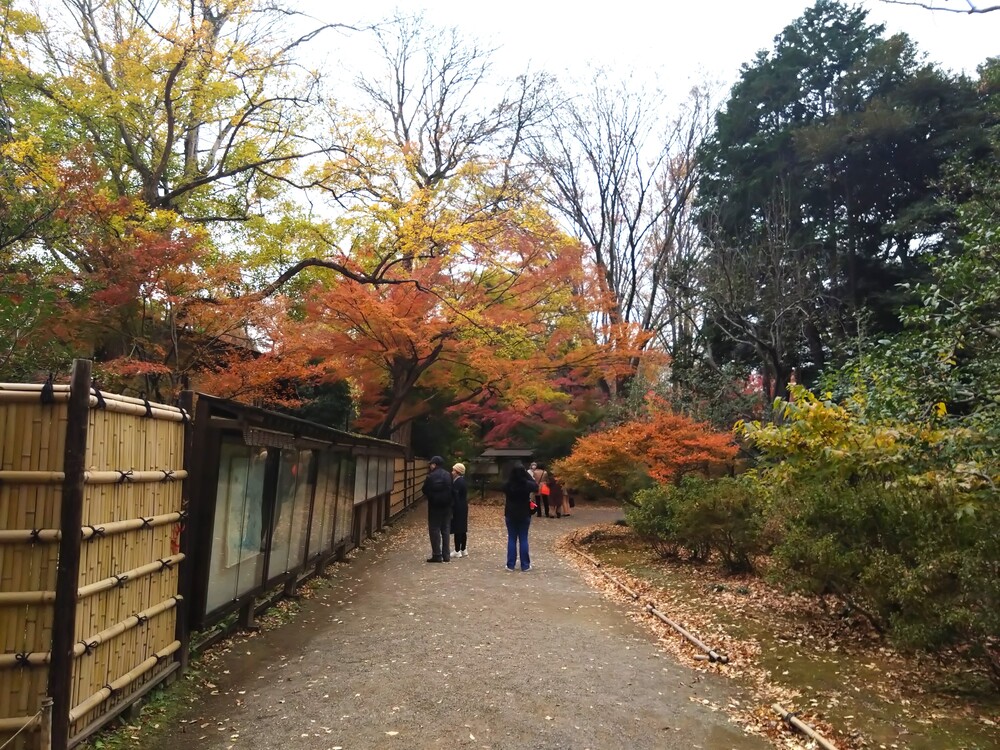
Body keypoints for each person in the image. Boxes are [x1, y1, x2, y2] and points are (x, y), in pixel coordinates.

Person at [502, 462, 538, 571]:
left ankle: (510, 564)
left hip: (510, 513)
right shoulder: (527, 484)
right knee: (523, 538)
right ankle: (525, 565)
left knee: (512, 538)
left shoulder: (508, 484)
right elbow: (535, 485)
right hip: (524, 512)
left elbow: (502, 486)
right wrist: (526, 474)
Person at [422, 456, 453, 562]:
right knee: (445, 529)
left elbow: (424, 490)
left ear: (434, 464)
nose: (430, 466)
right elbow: (451, 489)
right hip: (447, 506)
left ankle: (437, 554)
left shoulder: (430, 476)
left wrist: (431, 496)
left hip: (434, 506)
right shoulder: (448, 475)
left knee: (434, 529)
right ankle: (446, 555)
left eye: (431, 464)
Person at [451, 462, 469, 557]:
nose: (452, 472)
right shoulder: (463, 481)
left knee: (457, 528)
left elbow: (455, 495)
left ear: (457, 471)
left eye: (453, 470)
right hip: (463, 506)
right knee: (463, 528)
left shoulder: (457, 482)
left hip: (458, 507)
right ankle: (463, 548)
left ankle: (457, 550)